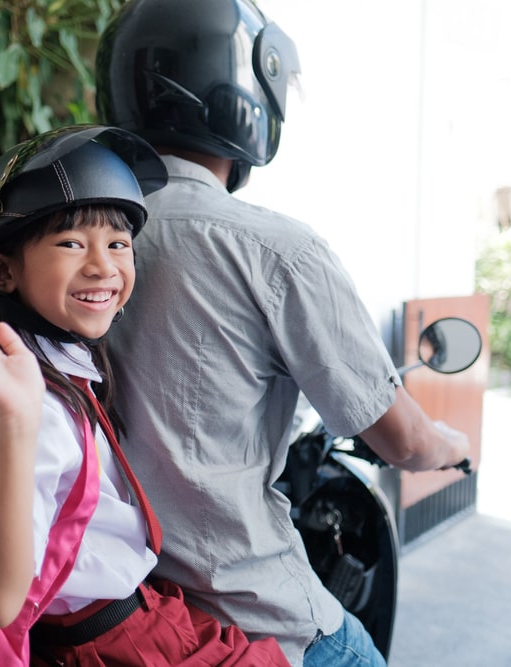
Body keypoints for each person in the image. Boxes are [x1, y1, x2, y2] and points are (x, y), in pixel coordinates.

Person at [95, 2, 473, 666]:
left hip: (125, 610)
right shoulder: (276, 248)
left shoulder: (77, 247)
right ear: (243, 86)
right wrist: (450, 445)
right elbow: (403, 437)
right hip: (251, 612)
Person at [0, 124, 291, 666]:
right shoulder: (32, 403)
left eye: (118, 244)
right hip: (118, 643)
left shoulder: (65, 366)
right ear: (3, 270)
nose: (103, 265)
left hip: (141, 614)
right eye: (71, 243)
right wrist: (16, 419)